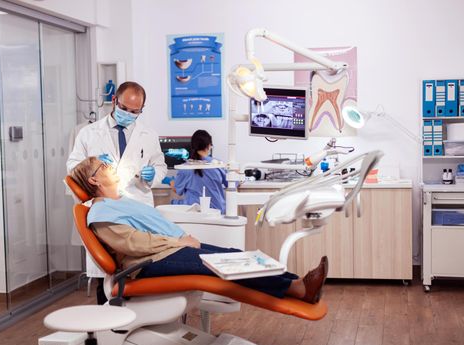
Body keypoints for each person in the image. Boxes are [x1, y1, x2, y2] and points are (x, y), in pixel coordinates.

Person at [70, 157, 329, 303]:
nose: (110, 166)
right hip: (149, 262)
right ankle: (298, 290)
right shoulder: (100, 213)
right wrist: (179, 243)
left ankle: (296, 281)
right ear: (93, 180)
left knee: (233, 254)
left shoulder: (122, 201)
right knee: (226, 265)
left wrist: (180, 239)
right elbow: (133, 245)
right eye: (103, 166)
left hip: (166, 251)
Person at [67, 81, 167, 207]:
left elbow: (160, 167)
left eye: (134, 112)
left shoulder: (149, 135)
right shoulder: (88, 133)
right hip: (103, 205)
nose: (128, 114)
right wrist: (91, 164)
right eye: (124, 108)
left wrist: (153, 176)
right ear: (114, 100)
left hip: (138, 204)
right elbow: (73, 167)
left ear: (141, 109)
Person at [171, 130, 227, 213]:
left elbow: (178, 191)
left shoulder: (185, 168)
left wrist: (172, 183)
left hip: (194, 214)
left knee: (173, 203)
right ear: (209, 145)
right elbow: (233, 183)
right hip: (217, 213)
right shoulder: (219, 165)